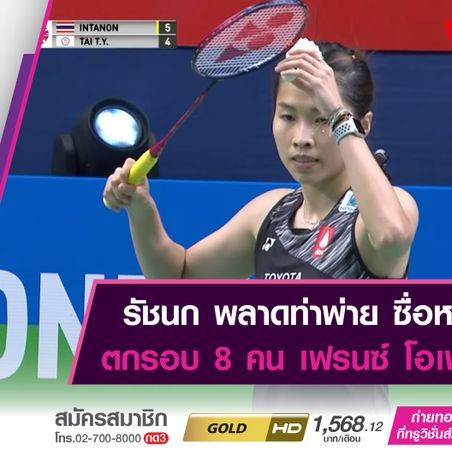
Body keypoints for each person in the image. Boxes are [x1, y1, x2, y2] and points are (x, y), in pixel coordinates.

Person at [103, 41, 419, 412]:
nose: (301, 138)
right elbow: (178, 280)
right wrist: (141, 209)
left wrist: (337, 112)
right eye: (287, 116)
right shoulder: (270, 214)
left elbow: (391, 235)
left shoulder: (383, 212)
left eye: (321, 119)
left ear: (361, 125)